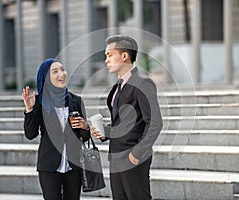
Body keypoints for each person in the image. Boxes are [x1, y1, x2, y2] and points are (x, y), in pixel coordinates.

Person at [91, 35, 163, 200]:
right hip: (115, 157)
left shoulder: (143, 83)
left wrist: (137, 153)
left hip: (132, 157)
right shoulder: (118, 86)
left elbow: (155, 123)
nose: (106, 60)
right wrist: (105, 132)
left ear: (124, 56)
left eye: (110, 55)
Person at [22, 58, 90, 200]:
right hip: (49, 165)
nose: (62, 74)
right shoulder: (39, 102)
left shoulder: (76, 101)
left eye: (63, 69)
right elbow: (30, 134)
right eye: (55, 71)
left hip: (73, 165)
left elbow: (84, 137)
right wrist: (29, 109)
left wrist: (85, 127)